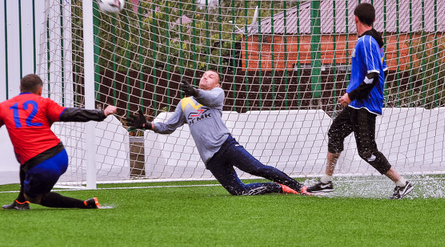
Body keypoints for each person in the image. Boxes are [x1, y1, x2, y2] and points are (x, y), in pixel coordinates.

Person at [127, 70, 310, 196]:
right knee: (239, 192)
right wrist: (148, 125)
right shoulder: (184, 103)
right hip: (210, 158)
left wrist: (196, 91)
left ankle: (299, 187)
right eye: (204, 75)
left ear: (217, 83)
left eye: (210, 76)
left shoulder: (216, 94)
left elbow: (208, 97)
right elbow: (169, 127)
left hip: (226, 146)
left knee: (257, 169)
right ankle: (278, 187)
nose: (205, 77)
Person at [306, 3, 413, 199]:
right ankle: (326, 181)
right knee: (335, 132)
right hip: (359, 104)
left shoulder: (367, 42)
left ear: (355, 18)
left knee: (366, 150)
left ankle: (402, 183)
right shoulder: (375, 42)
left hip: (363, 104)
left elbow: (373, 74)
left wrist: (351, 95)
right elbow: (385, 70)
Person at [0, 74, 117, 210]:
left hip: (41, 165)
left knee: (34, 197)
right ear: (40, 90)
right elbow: (71, 113)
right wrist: (101, 114)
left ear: (20, 88)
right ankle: (20, 203)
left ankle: (85, 205)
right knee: (24, 162)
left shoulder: (4, 106)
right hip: (59, 155)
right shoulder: (45, 102)